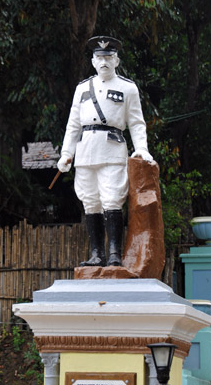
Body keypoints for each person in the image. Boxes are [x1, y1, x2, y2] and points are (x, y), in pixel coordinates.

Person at [57, 35, 154, 267]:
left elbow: (137, 123)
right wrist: (66, 153)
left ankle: (114, 254)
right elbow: (73, 124)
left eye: (109, 57)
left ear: (117, 61)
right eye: (99, 57)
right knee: (90, 202)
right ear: (92, 61)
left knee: (112, 199)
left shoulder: (127, 88)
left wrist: (141, 148)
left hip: (112, 149)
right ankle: (96, 254)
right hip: (86, 151)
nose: (104, 62)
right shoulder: (82, 89)